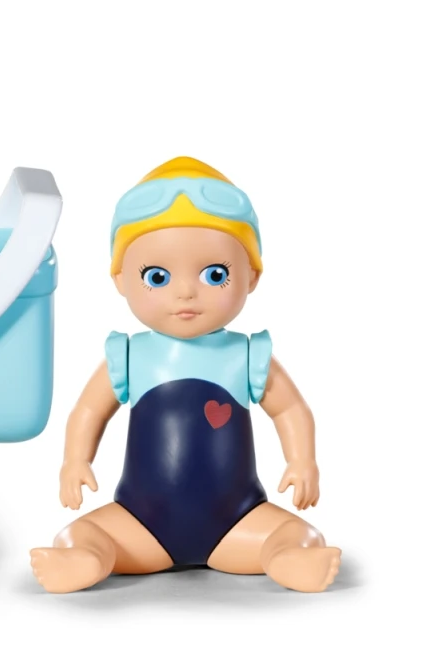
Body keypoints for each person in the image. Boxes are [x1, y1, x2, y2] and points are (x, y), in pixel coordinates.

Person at [30, 156, 341, 593]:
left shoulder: (246, 355)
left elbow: (290, 409)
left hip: (238, 522)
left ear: (251, 276)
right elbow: (89, 410)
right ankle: (87, 557)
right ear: (120, 279)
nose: (185, 292)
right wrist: (75, 461)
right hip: (140, 524)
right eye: (157, 277)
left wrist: (303, 461)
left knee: (299, 533)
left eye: (215, 274)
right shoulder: (130, 354)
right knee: (79, 533)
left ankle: (286, 556)